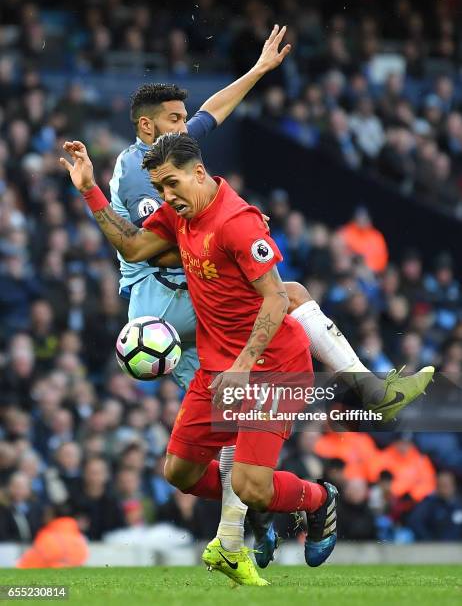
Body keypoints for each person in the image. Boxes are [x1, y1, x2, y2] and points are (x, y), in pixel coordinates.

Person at [60, 131, 435, 583]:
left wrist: (241, 368)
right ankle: (264, 504)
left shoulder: (237, 221)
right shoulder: (181, 215)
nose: (166, 196)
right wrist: (88, 188)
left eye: (172, 184)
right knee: (179, 472)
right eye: (159, 188)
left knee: (249, 483)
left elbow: (277, 300)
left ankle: (318, 499)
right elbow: (135, 247)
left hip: (272, 366)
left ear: (199, 172)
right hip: (220, 367)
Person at [109, 24, 293, 583]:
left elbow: (214, 108)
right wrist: (212, 248)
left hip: (199, 301)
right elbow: (155, 247)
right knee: (287, 297)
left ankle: (243, 523)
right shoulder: (138, 170)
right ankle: (253, 510)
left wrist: (258, 71)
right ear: (147, 126)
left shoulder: (177, 152)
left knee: (233, 417)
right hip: (160, 307)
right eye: (173, 119)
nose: (185, 126)